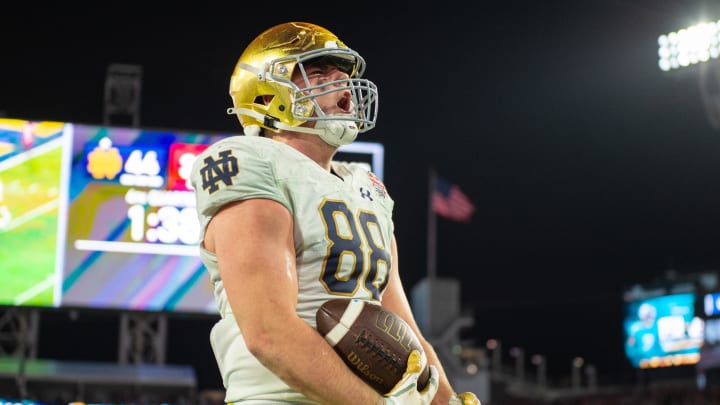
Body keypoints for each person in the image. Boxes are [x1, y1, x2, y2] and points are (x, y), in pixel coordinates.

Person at [191, 21, 480, 405]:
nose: (341, 81)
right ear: (264, 95)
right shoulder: (250, 161)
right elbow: (268, 333)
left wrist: (446, 399)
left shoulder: (368, 188)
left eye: (341, 72)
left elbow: (405, 328)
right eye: (318, 72)